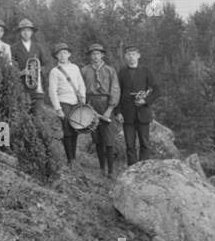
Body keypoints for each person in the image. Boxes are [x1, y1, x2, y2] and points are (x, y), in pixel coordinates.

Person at [81, 42, 121, 177]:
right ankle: (101, 167)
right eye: (93, 54)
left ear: (102, 55)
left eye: (98, 53)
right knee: (97, 137)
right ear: (90, 56)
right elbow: (80, 89)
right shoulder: (85, 70)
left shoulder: (110, 70)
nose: (95, 56)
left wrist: (110, 108)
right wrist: (85, 106)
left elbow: (115, 90)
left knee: (108, 138)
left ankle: (111, 170)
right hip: (91, 103)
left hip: (106, 103)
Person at [48, 42, 90, 166]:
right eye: (59, 53)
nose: (62, 55)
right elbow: (52, 91)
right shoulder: (54, 71)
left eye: (65, 53)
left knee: (75, 128)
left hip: (76, 102)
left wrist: (83, 97)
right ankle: (70, 159)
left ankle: (74, 158)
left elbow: (81, 84)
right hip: (64, 102)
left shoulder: (75, 68)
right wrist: (58, 109)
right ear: (56, 56)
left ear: (69, 54)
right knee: (67, 130)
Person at [118, 44, 160, 166]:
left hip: (143, 113)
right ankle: (132, 170)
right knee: (129, 145)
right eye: (129, 55)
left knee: (145, 144)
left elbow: (157, 91)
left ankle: (144, 169)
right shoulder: (121, 72)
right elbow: (117, 93)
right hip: (127, 114)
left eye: (134, 54)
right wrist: (118, 112)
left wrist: (145, 101)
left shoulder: (146, 71)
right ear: (125, 57)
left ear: (138, 56)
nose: (131, 57)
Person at [10, 18, 51, 111]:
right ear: (20, 32)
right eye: (23, 30)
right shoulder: (14, 48)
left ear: (32, 32)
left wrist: (40, 69)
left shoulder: (38, 47)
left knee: (37, 118)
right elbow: (10, 66)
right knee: (22, 115)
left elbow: (47, 64)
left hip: (37, 89)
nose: (26, 33)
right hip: (21, 88)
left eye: (28, 30)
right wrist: (20, 72)